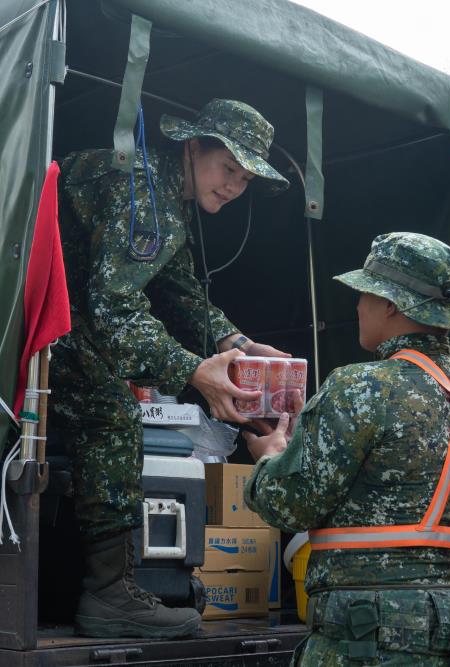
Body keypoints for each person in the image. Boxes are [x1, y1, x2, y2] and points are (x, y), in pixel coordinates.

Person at [50, 98, 291, 638]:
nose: (234, 186)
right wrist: (192, 371)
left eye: (245, 179)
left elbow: (177, 290)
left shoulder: (165, 193)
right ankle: (109, 596)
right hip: (40, 309)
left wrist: (240, 344)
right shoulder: (142, 188)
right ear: (193, 147)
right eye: (228, 168)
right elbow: (113, 309)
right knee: (109, 411)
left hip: (66, 307)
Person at [242, 232, 450, 666]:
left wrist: (269, 458)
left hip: (367, 639)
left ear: (391, 304)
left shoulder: (358, 387)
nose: (358, 306)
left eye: (365, 294)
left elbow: (291, 507)